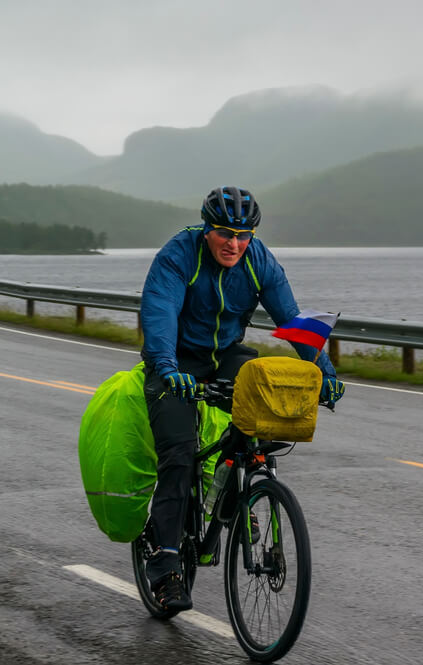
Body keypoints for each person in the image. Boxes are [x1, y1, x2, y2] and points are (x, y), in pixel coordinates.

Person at [139, 186, 345, 611]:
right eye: (224, 233)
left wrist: (324, 373)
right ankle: (166, 566)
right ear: (206, 229)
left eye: (244, 234)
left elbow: (293, 320)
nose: (234, 243)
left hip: (226, 355)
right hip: (174, 360)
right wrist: (166, 367)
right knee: (178, 456)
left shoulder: (259, 261)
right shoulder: (178, 255)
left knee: (261, 423)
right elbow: (159, 314)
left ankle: (236, 492)